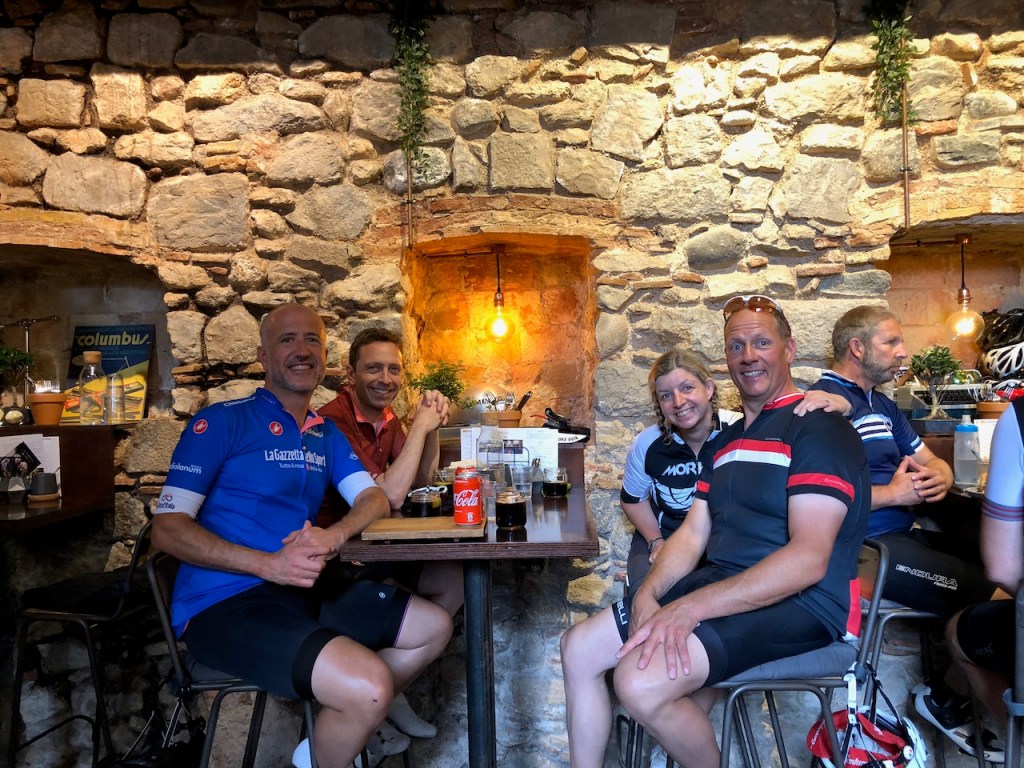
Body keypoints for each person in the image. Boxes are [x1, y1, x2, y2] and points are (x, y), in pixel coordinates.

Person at [561, 294, 871, 768]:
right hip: (724, 585)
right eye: (736, 346)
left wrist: (690, 607)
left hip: (803, 605)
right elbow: (692, 534)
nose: (748, 356)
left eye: (762, 343)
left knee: (638, 683)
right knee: (578, 648)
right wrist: (649, 593)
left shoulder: (819, 428)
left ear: (789, 350)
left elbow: (808, 560)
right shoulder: (726, 441)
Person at [152, 304, 453, 768]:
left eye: (312, 340)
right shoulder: (220, 422)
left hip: (304, 587)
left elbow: (374, 499)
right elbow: (167, 530)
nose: (302, 350)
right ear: (263, 355)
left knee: (433, 627)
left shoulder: (323, 432)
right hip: (224, 604)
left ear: (325, 357)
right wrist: (266, 564)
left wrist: (335, 535)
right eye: (287, 340)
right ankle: (360, 713)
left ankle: (333, 740)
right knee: (369, 686)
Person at [808, 307, 1006, 756]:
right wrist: (892, 495)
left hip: (904, 539)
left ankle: (945, 693)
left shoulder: (882, 404)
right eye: (891, 342)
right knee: (1001, 601)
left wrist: (940, 476)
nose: (903, 352)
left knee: (1005, 576)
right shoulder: (825, 404)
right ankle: (952, 700)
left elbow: (928, 460)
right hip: (866, 551)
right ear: (857, 348)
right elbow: (815, 501)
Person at [318, 327, 463, 738]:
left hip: (378, 547)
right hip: (341, 561)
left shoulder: (385, 419)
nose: (386, 379)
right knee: (436, 620)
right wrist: (418, 427)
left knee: (453, 580)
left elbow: (422, 479)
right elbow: (389, 494)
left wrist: (430, 429)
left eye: (394, 370)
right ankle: (365, 709)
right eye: (374, 369)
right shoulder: (333, 422)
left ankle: (385, 693)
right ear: (350, 374)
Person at [622, 348, 849, 588]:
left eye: (687, 388)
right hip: (667, 536)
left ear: (708, 388)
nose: (678, 402)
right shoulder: (648, 443)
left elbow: (790, 421)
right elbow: (632, 499)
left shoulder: (739, 429)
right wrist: (655, 540)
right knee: (644, 593)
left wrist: (845, 405)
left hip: (724, 541)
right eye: (666, 396)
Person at [917, 398, 1023, 762]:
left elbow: (1003, 568)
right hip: (887, 542)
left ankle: (944, 696)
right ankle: (943, 698)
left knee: (963, 626)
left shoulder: (1018, 418)